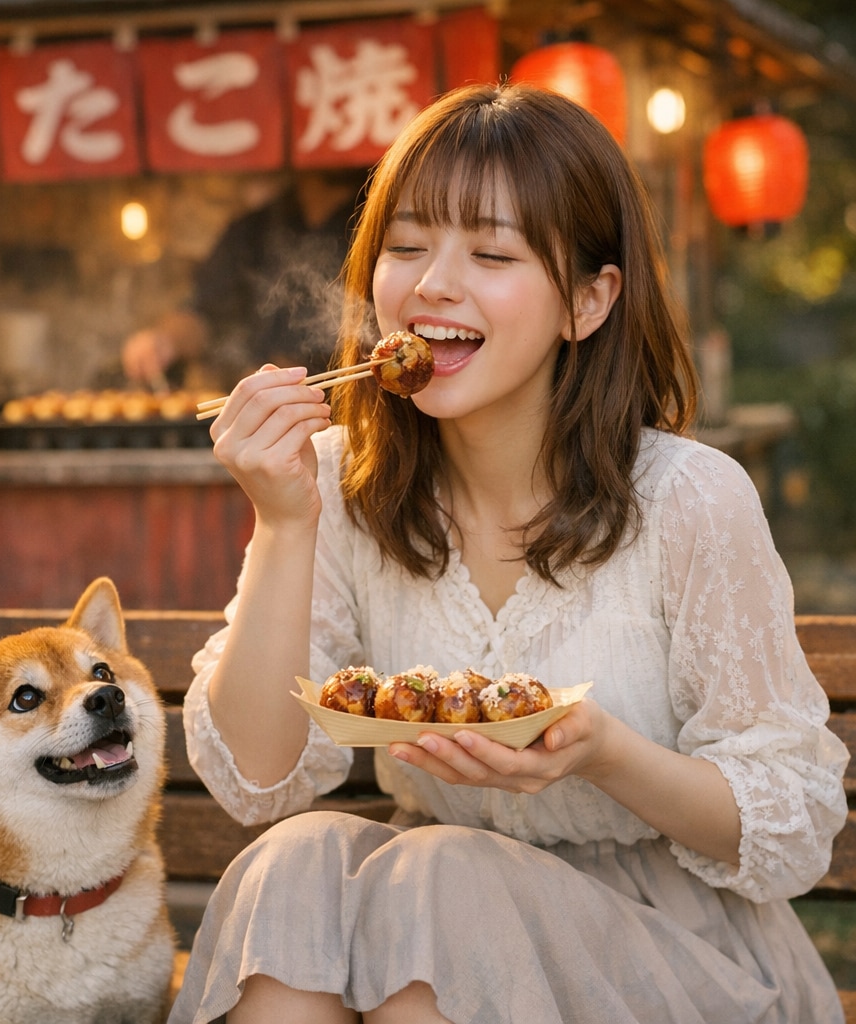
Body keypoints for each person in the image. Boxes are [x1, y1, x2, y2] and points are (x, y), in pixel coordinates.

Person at [169, 83, 849, 1024]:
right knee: (299, 860)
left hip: (670, 953)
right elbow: (258, 778)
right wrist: (284, 524)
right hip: (424, 921)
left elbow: (791, 824)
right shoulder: (335, 483)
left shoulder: (689, 500)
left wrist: (605, 755)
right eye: (406, 247)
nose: (433, 283)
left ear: (587, 300)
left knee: (440, 881)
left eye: (490, 253)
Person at [121, 169, 366, 391]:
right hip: (261, 408)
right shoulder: (254, 229)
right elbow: (203, 310)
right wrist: (166, 341)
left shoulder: (376, 225)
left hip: (355, 408)